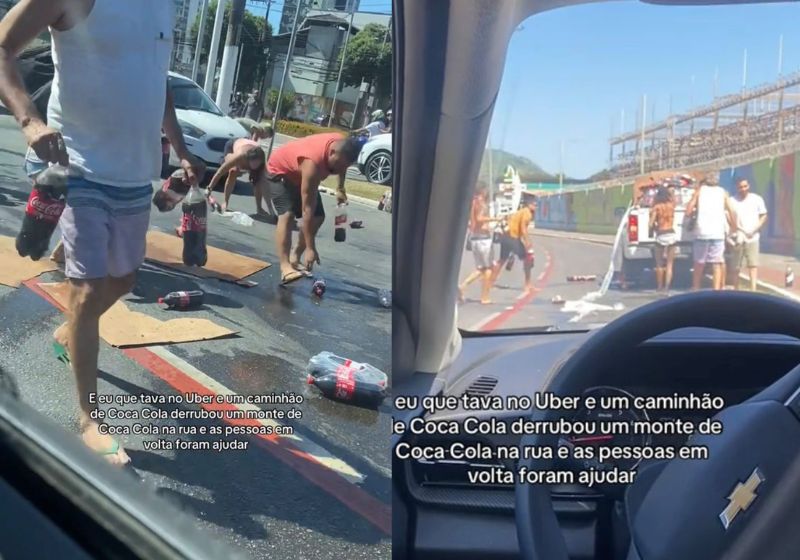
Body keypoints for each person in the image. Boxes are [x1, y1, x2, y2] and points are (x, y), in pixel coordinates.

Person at [0, 0, 204, 465]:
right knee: (89, 289)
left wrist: (181, 148)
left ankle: (69, 332)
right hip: (77, 166)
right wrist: (30, 121)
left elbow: (159, 83)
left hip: (135, 174)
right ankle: (90, 419)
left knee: (124, 279)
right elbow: (3, 46)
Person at [266, 133, 363, 284]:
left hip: (300, 175)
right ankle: (285, 268)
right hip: (279, 172)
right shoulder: (313, 163)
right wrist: (311, 248)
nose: (337, 170)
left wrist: (340, 188)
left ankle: (295, 257)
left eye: (344, 167)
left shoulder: (342, 146)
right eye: (337, 165)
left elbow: (343, 165)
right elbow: (307, 210)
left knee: (318, 217)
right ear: (332, 153)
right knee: (288, 216)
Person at [685, 172, 737, 291]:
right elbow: (731, 210)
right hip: (717, 233)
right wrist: (734, 226)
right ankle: (716, 291)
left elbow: (689, 209)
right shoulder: (722, 192)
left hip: (702, 232)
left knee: (699, 263)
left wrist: (691, 216)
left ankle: (696, 288)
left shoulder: (700, 191)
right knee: (717, 263)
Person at [207, 135, 268, 214]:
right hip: (232, 145)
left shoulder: (262, 162)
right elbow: (220, 172)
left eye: (257, 165)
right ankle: (225, 202)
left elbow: (262, 184)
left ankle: (259, 208)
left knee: (257, 180)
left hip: (249, 146)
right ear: (248, 160)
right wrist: (209, 188)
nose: (254, 168)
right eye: (252, 165)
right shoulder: (240, 156)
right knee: (233, 171)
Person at [458, 183, 496, 305]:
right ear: (483, 193)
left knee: (481, 268)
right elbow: (480, 219)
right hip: (484, 239)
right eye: (486, 193)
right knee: (489, 268)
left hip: (474, 238)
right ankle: (485, 297)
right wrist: (496, 219)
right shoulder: (481, 205)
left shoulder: (472, 204)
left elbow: (472, 221)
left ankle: (463, 285)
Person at [492, 197, 537, 296]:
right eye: (534, 205)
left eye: (536, 205)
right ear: (529, 205)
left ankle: (490, 282)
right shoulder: (527, 213)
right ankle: (527, 285)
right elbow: (523, 228)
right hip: (512, 237)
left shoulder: (521, 211)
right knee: (527, 259)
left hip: (505, 236)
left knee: (502, 260)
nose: (535, 207)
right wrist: (527, 242)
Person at [728, 178, 767, 291]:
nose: (743, 189)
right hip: (738, 238)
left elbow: (764, 215)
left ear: (749, 186)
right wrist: (735, 228)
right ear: (737, 187)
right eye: (740, 187)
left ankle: (753, 290)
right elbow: (727, 216)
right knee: (736, 266)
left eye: (745, 186)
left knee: (753, 265)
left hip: (753, 237)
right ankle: (736, 289)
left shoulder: (757, 199)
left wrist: (755, 229)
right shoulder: (731, 201)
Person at [649, 186, 677, 293]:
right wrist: (672, 193)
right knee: (670, 264)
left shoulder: (657, 207)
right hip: (671, 233)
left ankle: (659, 287)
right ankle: (667, 287)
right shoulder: (672, 206)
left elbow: (651, 223)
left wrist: (653, 228)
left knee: (659, 264)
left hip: (661, 234)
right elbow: (674, 201)